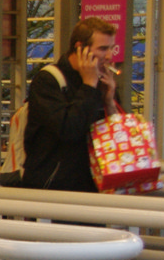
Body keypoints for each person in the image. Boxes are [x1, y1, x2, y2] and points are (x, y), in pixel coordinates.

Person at [21, 17, 118, 191]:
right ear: (80, 48)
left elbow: (116, 135)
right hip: (54, 186)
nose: (110, 56)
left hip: (93, 184)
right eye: (103, 48)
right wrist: (88, 86)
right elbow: (69, 129)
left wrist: (109, 102)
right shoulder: (48, 81)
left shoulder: (102, 82)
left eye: (112, 48)